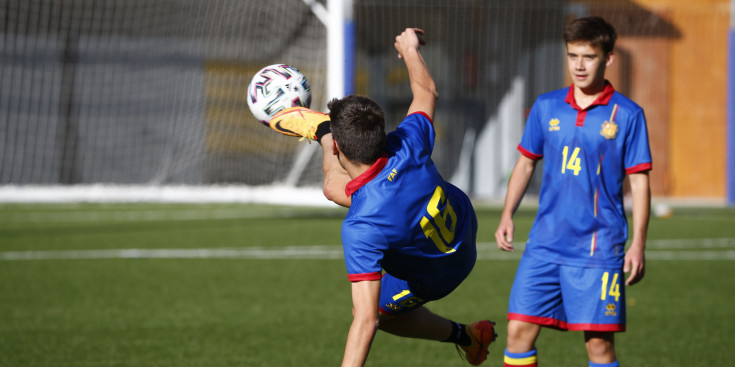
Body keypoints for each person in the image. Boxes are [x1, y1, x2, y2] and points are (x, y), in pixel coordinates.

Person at [269, 28, 496, 366]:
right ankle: (324, 130)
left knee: (377, 310)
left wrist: (323, 132)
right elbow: (426, 90)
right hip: (464, 222)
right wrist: (409, 49)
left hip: (443, 271)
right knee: (362, 196)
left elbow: (365, 321)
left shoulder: (362, 226)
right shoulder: (409, 142)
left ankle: (467, 337)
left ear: (337, 147)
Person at [493, 16, 651, 367]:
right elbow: (525, 163)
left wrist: (638, 243)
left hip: (598, 248)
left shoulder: (627, 115)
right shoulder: (546, 106)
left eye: (589, 57)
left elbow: (639, 183)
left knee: (598, 345)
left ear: (608, 58)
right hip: (544, 244)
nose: (579, 65)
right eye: (572, 55)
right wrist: (507, 215)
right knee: (518, 332)